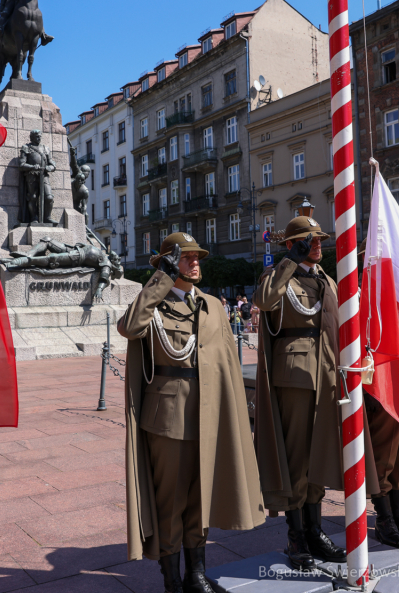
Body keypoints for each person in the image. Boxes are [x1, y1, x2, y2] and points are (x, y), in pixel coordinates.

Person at [119, 233, 264, 593]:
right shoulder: (152, 304)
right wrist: (159, 281)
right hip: (169, 417)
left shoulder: (214, 306)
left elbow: (227, 363)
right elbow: (129, 326)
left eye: (197, 257)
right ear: (170, 263)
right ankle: (172, 580)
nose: (195, 262)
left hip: (210, 414)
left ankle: (195, 575)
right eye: (187, 258)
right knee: (172, 503)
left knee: (200, 498)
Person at [254, 217, 352, 569]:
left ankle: (314, 530)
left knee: (319, 454)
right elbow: (264, 301)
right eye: (310, 239)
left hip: (326, 373)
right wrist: (289, 263)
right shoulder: (278, 277)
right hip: (295, 376)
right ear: (292, 244)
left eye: (320, 238)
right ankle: (296, 537)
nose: (318, 243)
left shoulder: (326, 279)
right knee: (297, 459)